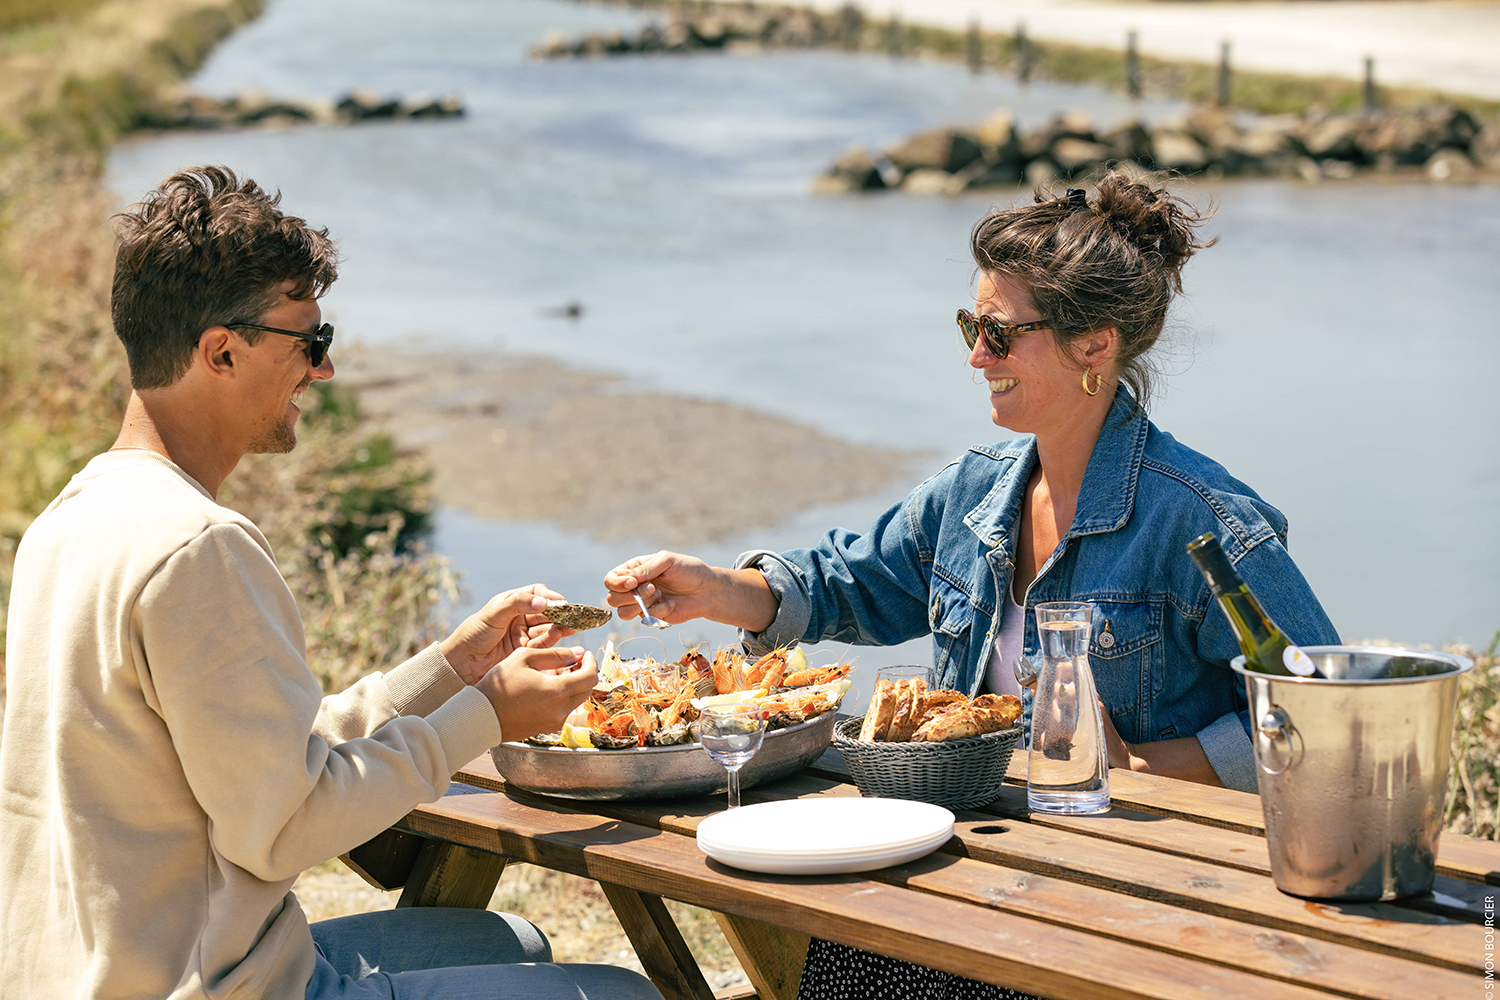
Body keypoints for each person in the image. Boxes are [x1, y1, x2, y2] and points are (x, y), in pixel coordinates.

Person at [602, 173, 1340, 999]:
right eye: (970, 325)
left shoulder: (1203, 521)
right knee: (831, 943)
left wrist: (1150, 766)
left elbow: (1330, 719)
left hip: (1131, 897)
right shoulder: (973, 492)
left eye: (998, 333)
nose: (975, 356)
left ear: (1095, 346)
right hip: (966, 864)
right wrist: (714, 589)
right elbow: (849, 583)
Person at [0, 166, 663, 1000]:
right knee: (626, 995)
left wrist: (450, 667)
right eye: (309, 343)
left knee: (517, 937)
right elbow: (281, 827)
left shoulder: (71, 516)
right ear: (222, 350)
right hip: (204, 986)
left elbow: (256, 761)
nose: (324, 371)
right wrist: (487, 715)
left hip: (84, 973)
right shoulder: (198, 548)